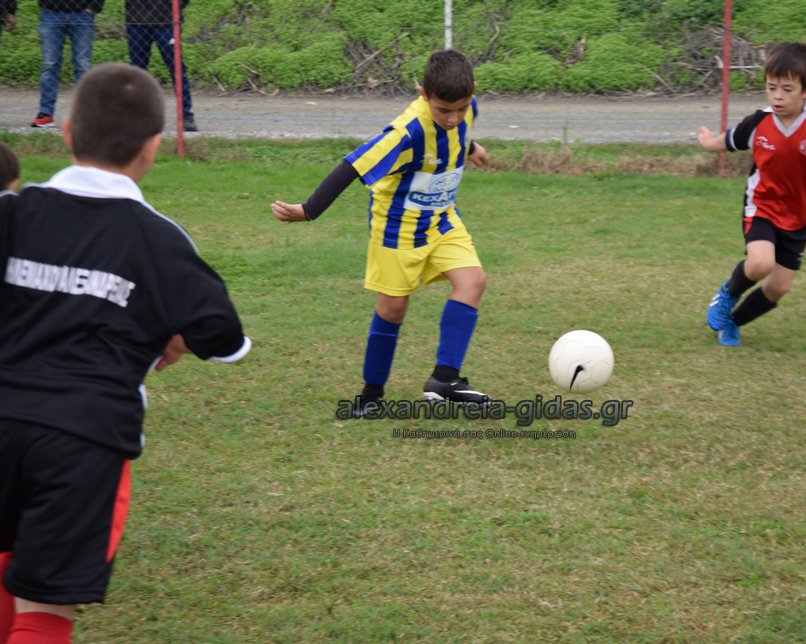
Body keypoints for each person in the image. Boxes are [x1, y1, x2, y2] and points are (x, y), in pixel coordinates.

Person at [0, 63, 251, 642]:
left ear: (67, 131)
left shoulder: (15, 212)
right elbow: (224, 336)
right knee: (43, 610)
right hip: (83, 440)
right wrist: (174, 333)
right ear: (153, 148)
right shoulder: (157, 238)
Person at [272, 49, 490, 413]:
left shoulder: (467, 110)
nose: (453, 118)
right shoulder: (405, 133)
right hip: (397, 230)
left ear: (472, 93)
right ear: (423, 94)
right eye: (443, 111)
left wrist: (470, 148)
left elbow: (452, 139)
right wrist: (308, 210)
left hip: (442, 221)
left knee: (473, 282)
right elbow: (352, 166)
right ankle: (371, 395)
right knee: (393, 309)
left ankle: (445, 379)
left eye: (461, 109)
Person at [697, 42, 806, 347]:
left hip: (797, 218)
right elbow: (730, 140)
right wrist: (708, 142)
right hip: (761, 206)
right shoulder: (760, 122)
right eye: (771, 88)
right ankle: (727, 294)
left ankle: (732, 323)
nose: (778, 96)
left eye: (787, 89)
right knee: (760, 264)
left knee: (778, 288)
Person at [125, 0, 197, 132]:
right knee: (137, 72)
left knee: (176, 67)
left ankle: (186, 115)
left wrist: (177, 5)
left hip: (167, 21)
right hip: (136, 20)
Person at [31, 0, 103, 129]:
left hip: (82, 14)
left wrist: (94, 6)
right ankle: (46, 114)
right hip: (51, 13)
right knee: (50, 65)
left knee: (82, 65)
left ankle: (85, 115)